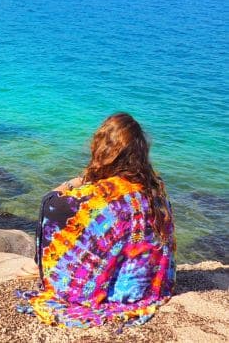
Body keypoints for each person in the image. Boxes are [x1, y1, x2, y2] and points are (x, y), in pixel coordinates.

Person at [16, 112, 176, 328]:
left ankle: (45, 269)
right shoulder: (155, 187)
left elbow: (51, 204)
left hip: (114, 295)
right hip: (152, 285)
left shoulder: (104, 195)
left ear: (103, 149)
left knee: (56, 213)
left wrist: (70, 183)